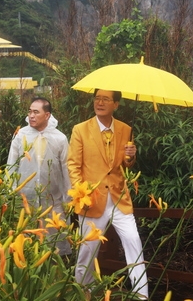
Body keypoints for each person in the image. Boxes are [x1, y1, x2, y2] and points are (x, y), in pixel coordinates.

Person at [67, 89, 148, 298]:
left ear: (116, 105)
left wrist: (131, 157)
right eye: (97, 99)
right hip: (91, 201)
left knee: (134, 243)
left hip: (120, 199)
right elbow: (73, 165)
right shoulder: (80, 130)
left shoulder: (125, 129)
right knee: (87, 251)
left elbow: (125, 165)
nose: (100, 103)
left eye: (105, 99)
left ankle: (142, 295)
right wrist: (81, 193)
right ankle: (83, 294)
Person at [7, 96, 71, 256]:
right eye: (30, 112)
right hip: (25, 202)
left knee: (53, 249)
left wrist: (68, 201)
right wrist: (9, 194)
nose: (31, 115)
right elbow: (11, 165)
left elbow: (67, 170)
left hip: (52, 203)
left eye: (36, 112)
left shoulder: (60, 138)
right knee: (26, 247)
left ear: (47, 115)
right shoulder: (21, 135)